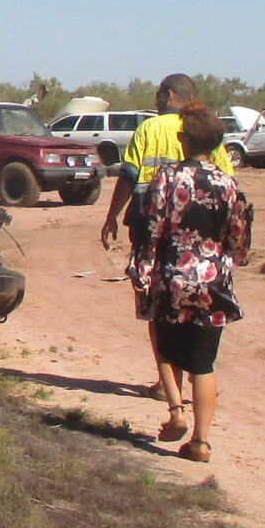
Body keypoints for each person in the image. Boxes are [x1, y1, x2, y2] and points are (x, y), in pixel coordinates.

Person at [100, 74, 237, 421]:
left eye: (159, 95)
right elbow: (229, 185)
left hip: (155, 228)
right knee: (201, 314)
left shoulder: (150, 129)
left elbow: (129, 176)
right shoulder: (205, 130)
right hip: (205, 243)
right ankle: (200, 375)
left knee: (158, 309)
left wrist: (112, 216)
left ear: (169, 95)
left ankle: (168, 386)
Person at [124, 104, 252, 461]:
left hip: (171, 278)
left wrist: (142, 270)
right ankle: (201, 441)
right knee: (203, 362)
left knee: (166, 346)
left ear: (184, 139)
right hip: (213, 283)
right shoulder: (228, 184)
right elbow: (239, 240)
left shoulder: (167, 178)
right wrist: (228, 260)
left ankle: (176, 411)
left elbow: (151, 229)